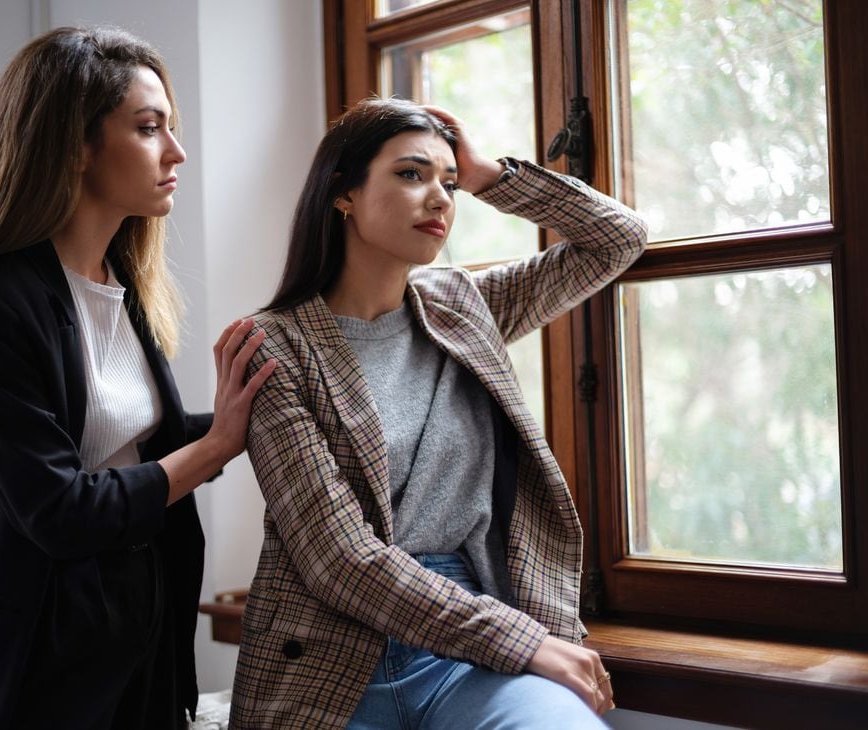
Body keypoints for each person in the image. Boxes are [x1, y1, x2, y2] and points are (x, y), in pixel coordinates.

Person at [230, 98, 647, 729]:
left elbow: (619, 239)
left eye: (447, 183)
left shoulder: (462, 307)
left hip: (468, 647)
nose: (439, 198)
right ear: (343, 193)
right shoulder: (276, 345)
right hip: (332, 651)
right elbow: (337, 559)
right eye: (410, 174)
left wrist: (491, 177)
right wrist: (524, 641)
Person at [0, 26, 275, 730]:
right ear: (75, 144)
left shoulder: (123, 286)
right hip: (42, 649)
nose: (177, 151)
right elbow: (60, 509)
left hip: (146, 623)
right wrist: (217, 447)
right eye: (148, 127)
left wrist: (255, 411)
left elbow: (131, 445)